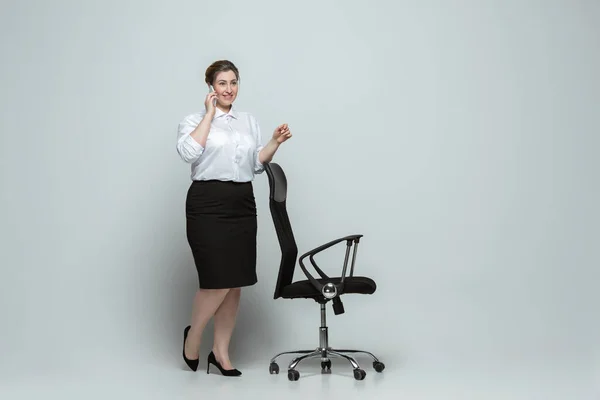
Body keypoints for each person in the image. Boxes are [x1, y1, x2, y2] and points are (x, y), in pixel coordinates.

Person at [175, 60, 292, 376]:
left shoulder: (248, 121)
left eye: (233, 82)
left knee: (235, 281)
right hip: (207, 203)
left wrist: (274, 143)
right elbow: (188, 153)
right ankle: (194, 337)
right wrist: (210, 116)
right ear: (211, 87)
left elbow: (255, 164)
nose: (229, 89)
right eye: (222, 83)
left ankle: (221, 352)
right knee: (216, 281)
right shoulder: (193, 120)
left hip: (241, 202)